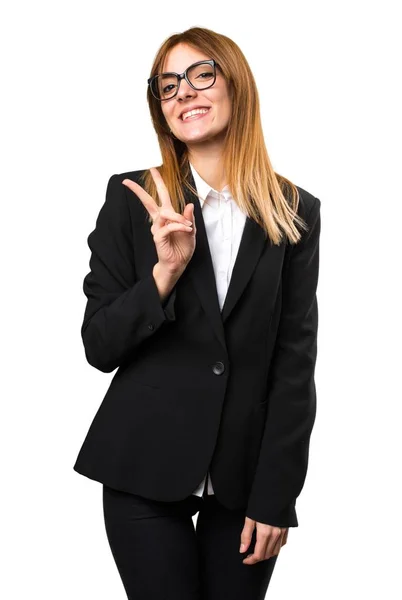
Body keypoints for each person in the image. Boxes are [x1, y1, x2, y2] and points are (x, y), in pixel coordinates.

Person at [73, 26, 321, 600]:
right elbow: (99, 345)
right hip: (144, 468)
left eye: (200, 74)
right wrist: (164, 274)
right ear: (162, 109)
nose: (184, 92)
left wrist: (277, 494)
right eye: (168, 86)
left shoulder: (294, 212)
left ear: (235, 85)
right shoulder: (131, 197)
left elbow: (294, 363)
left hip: (245, 480)